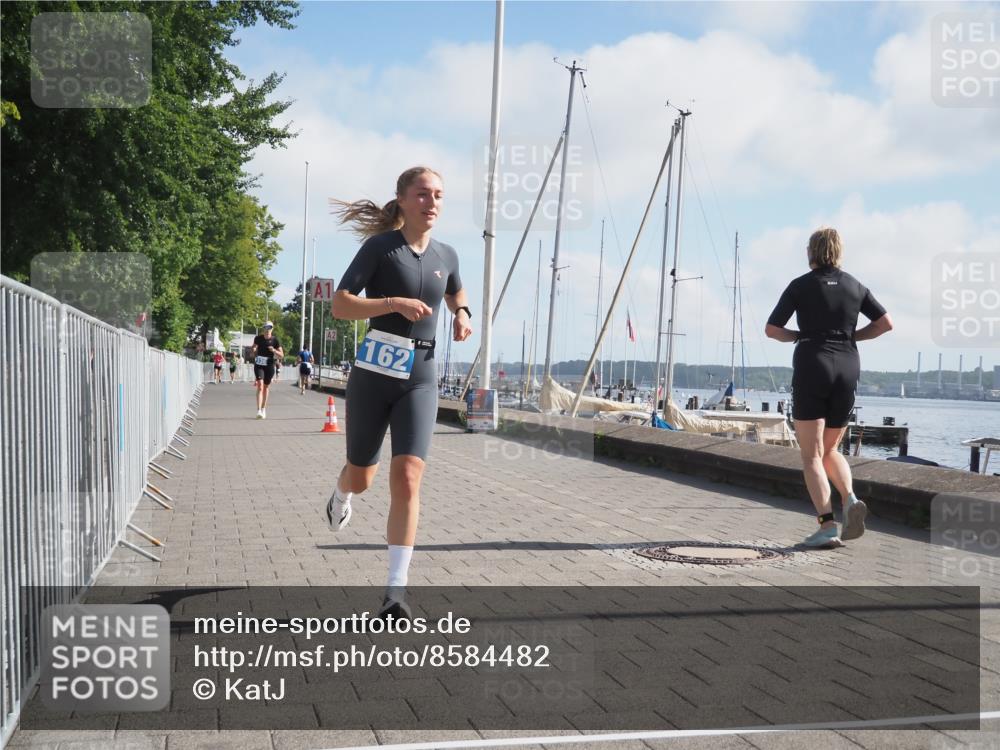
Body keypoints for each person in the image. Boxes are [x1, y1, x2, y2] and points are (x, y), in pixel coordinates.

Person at [326, 166, 473, 619]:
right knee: (363, 476)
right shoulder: (380, 249)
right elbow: (340, 304)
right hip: (374, 373)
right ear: (403, 200)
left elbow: (455, 289)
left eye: (440, 196)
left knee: (408, 476)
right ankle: (341, 493)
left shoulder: (446, 254)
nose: (432, 203)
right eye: (424, 194)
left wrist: (462, 314)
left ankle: (395, 592)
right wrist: (392, 303)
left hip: (421, 375)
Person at [765, 228, 893, 548]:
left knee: (811, 456)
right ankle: (849, 499)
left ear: (811, 252)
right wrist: (851, 337)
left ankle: (826, 526)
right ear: (839, 251)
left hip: (813, 363)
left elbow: (772, 329)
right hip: (848, 366)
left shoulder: (800, 286)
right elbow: (885, 324)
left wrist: (798, 336)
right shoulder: (855, 285)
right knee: (830, 449)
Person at [250, 322, 283, 419]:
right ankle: (259, 410)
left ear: (272, 329)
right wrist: (254, 349)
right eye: (266, 327)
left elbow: (282, 355)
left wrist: (274, 351)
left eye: (270, 327)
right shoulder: (258, 338)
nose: (268, 329)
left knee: (265, 387)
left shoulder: (275, 340)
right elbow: (252, 351)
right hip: (259, 364)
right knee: (260, 386)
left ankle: (264, 408)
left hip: (269, 365)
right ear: (263, 328)